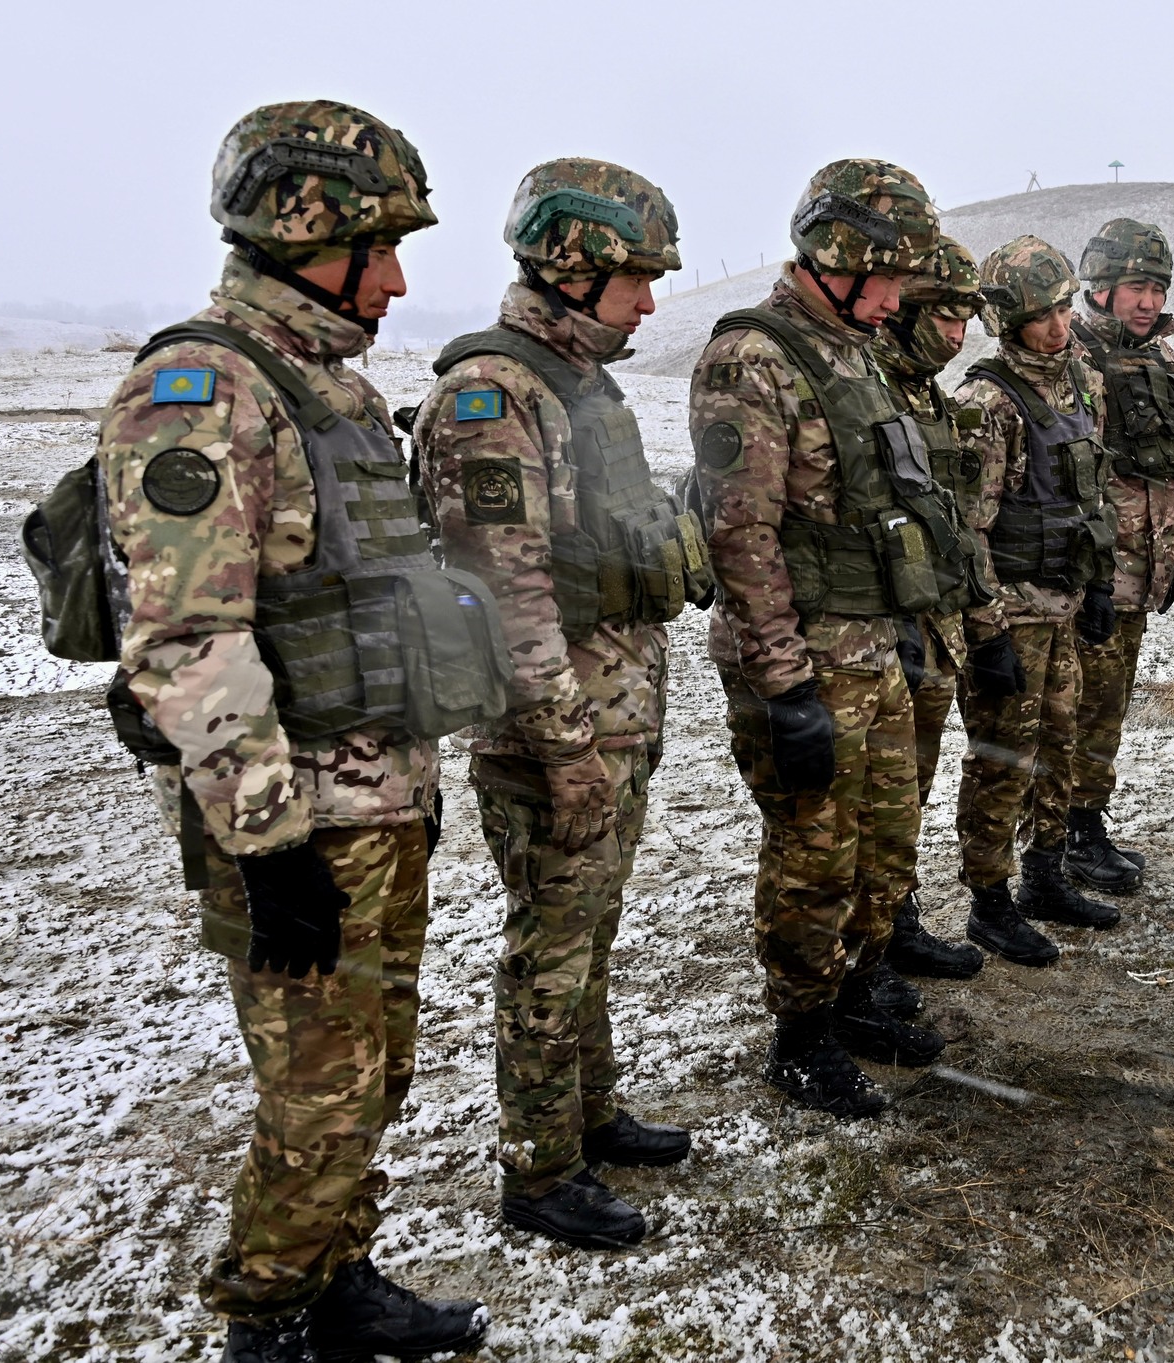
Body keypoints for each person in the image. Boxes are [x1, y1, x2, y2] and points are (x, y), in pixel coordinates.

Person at [94, 101, 493, 1363]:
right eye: (377, 247)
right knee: (317, 1091)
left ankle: (338, 1277)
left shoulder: (328, 388)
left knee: (372, 1071)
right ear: (298, 230)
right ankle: (266, 1317)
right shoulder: (201, 392)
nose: (396, 278)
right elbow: (184, 640)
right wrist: (269, 846)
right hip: (297, 820)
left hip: (376, 795)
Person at [414, 158, 701, 1251]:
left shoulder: (575, 383)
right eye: (635, 276)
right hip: (555, 733)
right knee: (550, 944)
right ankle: (539, 1170)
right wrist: (567, 749)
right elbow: (506, 594)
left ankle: (588, 1113)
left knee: (591, 932)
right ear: (571, 268)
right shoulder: (494, 397)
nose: (648, 300)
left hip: (609, 716)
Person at [687, 159, 954, 1119]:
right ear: (838, 259)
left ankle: (856, 990)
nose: (897, 301)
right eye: (887, 279)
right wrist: (784, 683)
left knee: (884, 838)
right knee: (814, 852)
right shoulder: (751, 359)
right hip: (802, 656)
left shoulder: (854, 349)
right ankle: (800, 1033)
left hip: (873, 641)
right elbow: (739, 534)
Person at [952, 236, 1123, 964]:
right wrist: (986, 632)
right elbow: (969, 532)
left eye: (1062, 307)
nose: (1058, 326)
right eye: (1040, 314)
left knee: (1062, 744)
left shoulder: (1085, 381)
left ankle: (1044, 875)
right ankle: (989, 899)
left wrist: (1101, 583)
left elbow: (1094, 492)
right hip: (1013, 617)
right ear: (1006, 319)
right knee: (1002, 757)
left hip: (1064, 602)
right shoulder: (986, 402)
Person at [866, 237, 991, 983]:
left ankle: (895, 916)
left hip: (933, 626)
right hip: (879, 634)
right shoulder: (865, 388)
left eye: (965, 320)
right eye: (943, 316)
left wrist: (979, 619)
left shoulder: (928, 399)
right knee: (873, 800)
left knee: (907, 789)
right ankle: (869, 943)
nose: (956, 335)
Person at [1064, 218, 1174, 894]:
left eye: (1158, 288)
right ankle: (1060, 840)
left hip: (1138, 577)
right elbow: (1066, 479)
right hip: (1088, 583)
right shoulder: (1072, 358)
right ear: (1102, 286)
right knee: (1074, 710)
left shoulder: (1161, 361)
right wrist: (1089, 579)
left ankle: (1085, 827)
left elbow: (1172, 469)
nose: (1149, 301)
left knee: (1108, 706)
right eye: (1138, 287)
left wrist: (1166, 562)